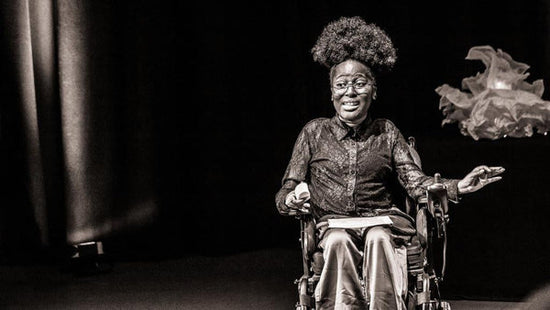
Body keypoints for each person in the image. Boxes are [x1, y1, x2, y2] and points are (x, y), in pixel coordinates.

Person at [275, 16, 504, 310]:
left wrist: (459, 185)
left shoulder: (386, 132)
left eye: (360, 83)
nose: (350, 92)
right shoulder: (313, 132)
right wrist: (291, 200)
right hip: (332, 226)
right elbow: (286, 190)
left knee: (379, 237)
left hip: (383, 222)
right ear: (332, 92)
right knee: (337, 241)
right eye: (342, 84)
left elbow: (416, 183)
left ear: (374, 90)